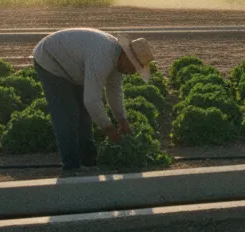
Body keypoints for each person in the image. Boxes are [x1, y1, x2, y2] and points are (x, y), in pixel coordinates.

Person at [32, 28, 155, 169]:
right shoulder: (103, 56)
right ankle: (71, 166)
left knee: (84, 113)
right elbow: (92, 100)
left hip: (73, 65)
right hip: (50, 59)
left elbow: (114, 92)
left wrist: (122, 121)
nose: (133, 73)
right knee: (68, 113)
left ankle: (88, 161)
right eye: (135, 68)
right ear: (127, 56)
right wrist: (109, 129)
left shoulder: (118, 61)